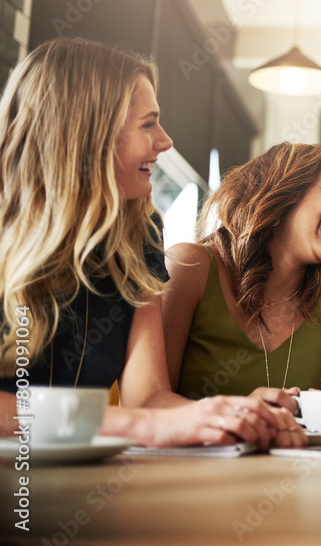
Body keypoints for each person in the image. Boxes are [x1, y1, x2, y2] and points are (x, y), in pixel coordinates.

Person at [0, 37, 300, 448]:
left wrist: (229, 413)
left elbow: (149, 398)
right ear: (88, 132)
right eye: (147, 123)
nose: (165, 141)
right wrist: (136, 426)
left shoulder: (138, 234)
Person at [162, 143, 321, 437]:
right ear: (285, 190)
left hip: (293, 476)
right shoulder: (190, 267)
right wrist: (234, 415)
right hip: (187, 474)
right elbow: (148, 405)